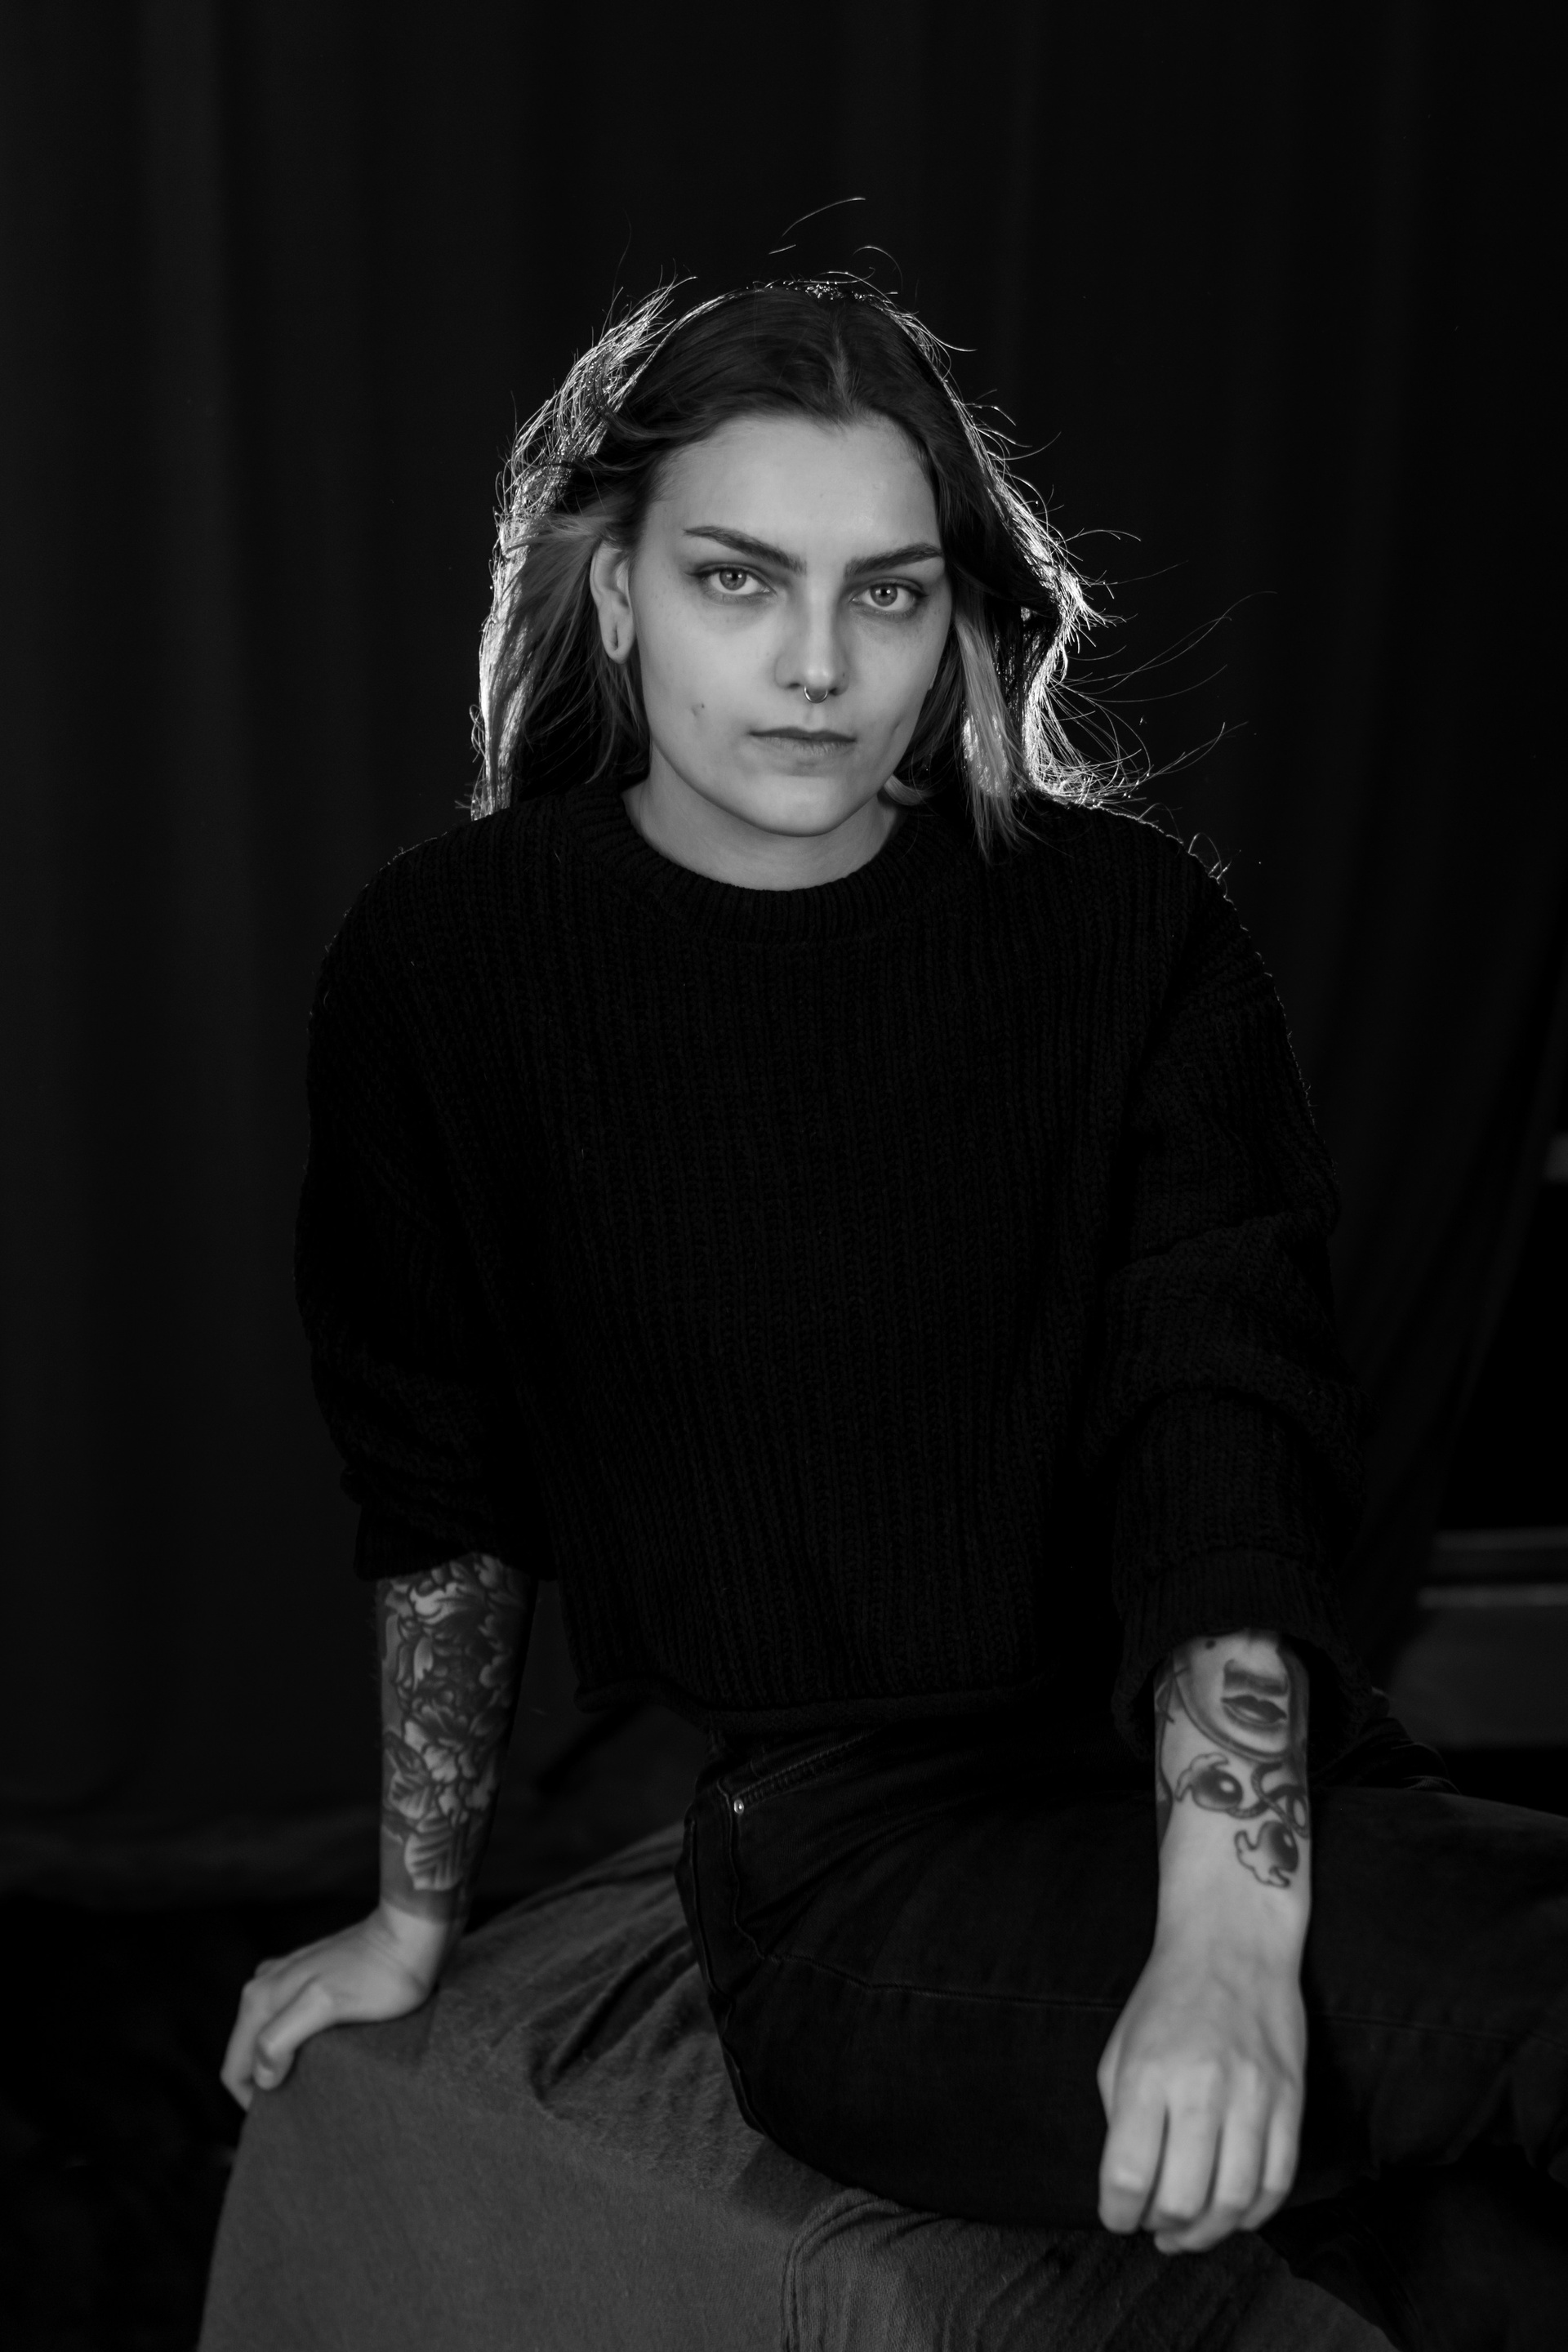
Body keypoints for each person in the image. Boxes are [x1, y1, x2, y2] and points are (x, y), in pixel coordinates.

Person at [221, 280, 1567, 2346]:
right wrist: (415, 1915)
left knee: (1489, 2243)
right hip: (854, 1875)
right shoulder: (453, 969)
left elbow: (1218, 1422)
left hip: (1224, 1778)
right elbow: (438, 1481)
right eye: (738, 579)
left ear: (958, 618)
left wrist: (1225, 1934)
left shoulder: (1123, 933)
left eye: (890, 592)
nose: (819, 665)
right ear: (613, 595)